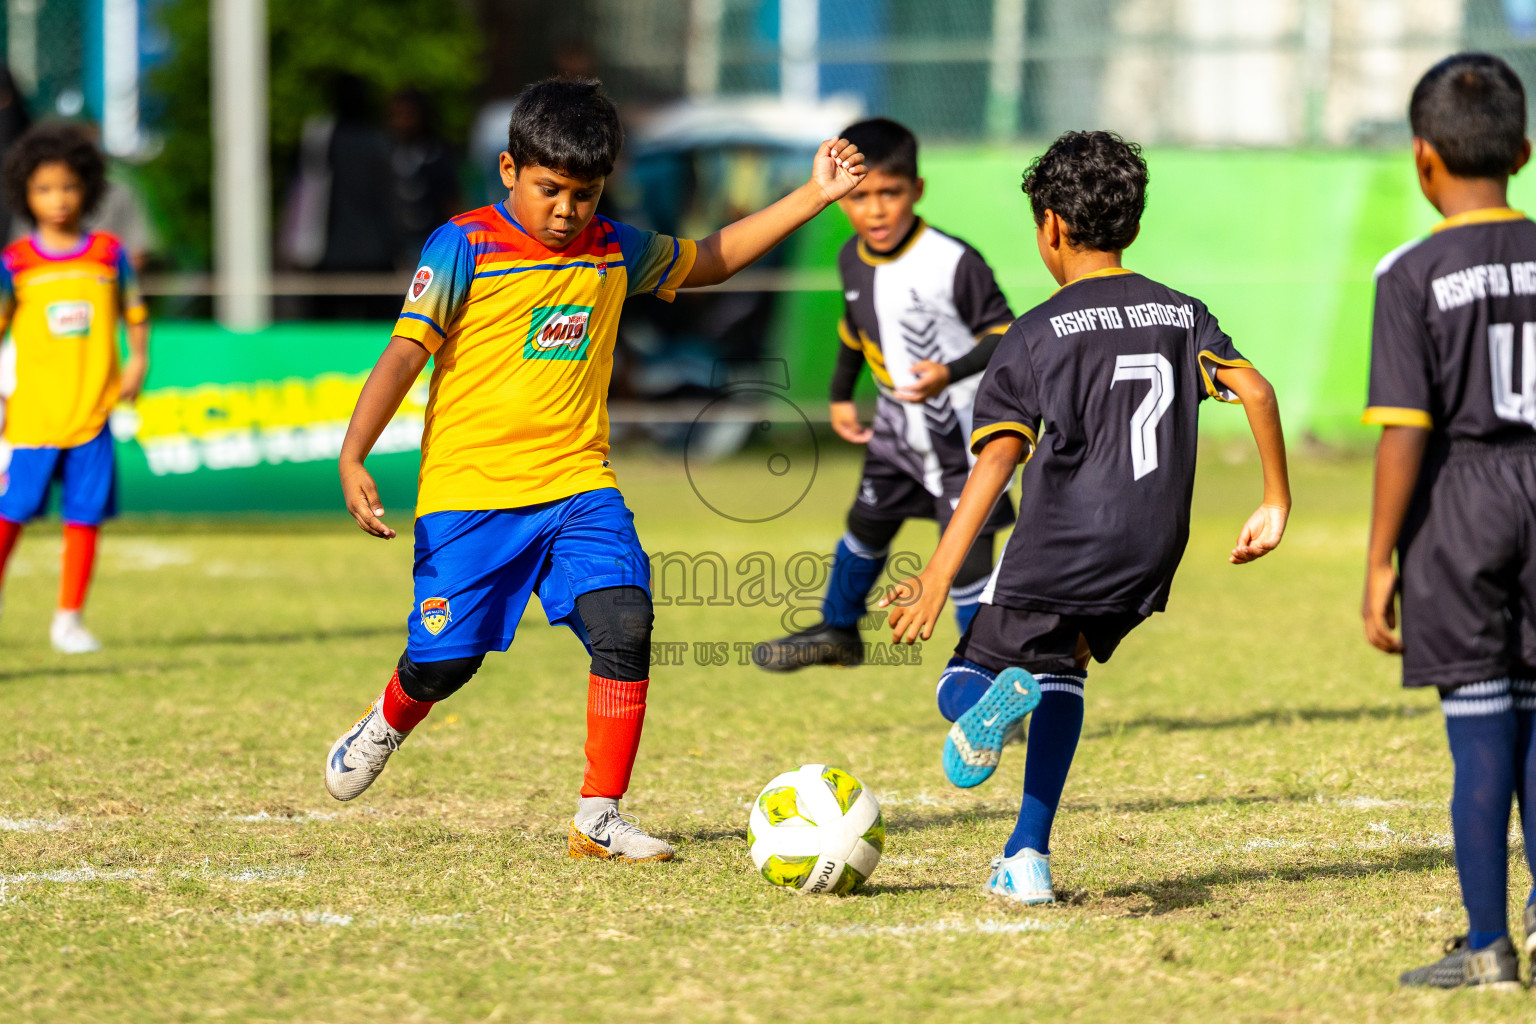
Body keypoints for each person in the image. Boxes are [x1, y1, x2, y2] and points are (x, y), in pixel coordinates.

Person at [322, 78, 865, 862]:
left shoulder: (615, 245)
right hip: (471, 496)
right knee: (444, 666)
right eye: (550, 190)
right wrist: (353, 453)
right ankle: (386, 720)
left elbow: (709, 259)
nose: (568, 210)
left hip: (579, 487)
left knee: (626, 623)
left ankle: (598, 815)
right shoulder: (463, 245)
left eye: (585, 193)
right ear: (509, 170)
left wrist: (813, 195)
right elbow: (407, 352)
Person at [882, 130, 1289, 904]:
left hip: (1063, 539)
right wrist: (1274, 501)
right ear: (1131, 227)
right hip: (1153, 543)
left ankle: (988, 716)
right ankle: (1026, 857)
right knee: (1063, 672)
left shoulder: (1032, 336)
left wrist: (939, 574)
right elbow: (1259, 391)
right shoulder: (1181, 314)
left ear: (1049, 227)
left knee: (962, 681)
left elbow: (998, 459)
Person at [1362, 53, 1536, 991]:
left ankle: (1487, 948)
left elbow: (1403, 434)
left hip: (1461, 500)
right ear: (1523, 150)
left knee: (1480, 736)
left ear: (1423, 160)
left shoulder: (1412, 271)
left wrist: (1381, 560)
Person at [752, 117, 1017, 673]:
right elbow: (856, 328)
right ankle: (838, 631)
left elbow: (1004, 333)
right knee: (864, 528)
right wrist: (841, 394)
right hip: (897, 434)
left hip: (963, 443)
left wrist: (950, 370)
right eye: (861, 196)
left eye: (889, 194)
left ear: (916, 191)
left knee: (967, 569)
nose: (874, 210)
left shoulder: (953, 261)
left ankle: (984, 682)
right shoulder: (852, 257)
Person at [0, 124, 149, 653]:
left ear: (87, 187)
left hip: (94, 414)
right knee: (11, 514)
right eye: (44, 188)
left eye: (67, 186)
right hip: (34, 418)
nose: (58, 199)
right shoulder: (16, 263)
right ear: (25, 193)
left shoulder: (110, 255)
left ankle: (68, 619)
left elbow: (135, 316)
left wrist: (138, 364)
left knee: (84, 518)